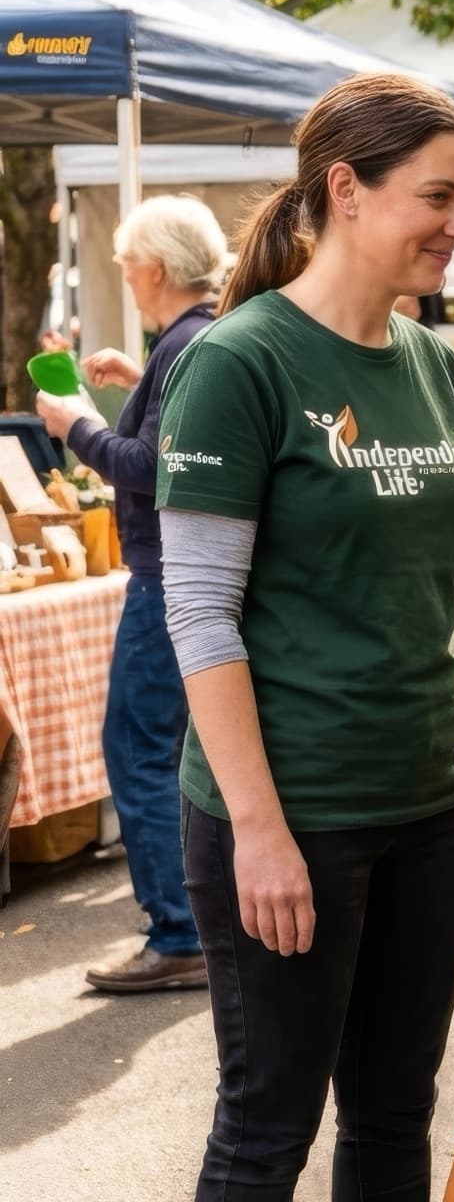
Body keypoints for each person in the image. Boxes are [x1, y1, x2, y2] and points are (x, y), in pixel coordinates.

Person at [156, 73, 454, 1202]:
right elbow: (199, 613)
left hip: (425, 802)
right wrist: (255, 824)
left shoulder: (434, 368)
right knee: (266, 1128)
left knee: (392, 1115)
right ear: (344, 190)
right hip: (287, 811)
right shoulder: (239, 364)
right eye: (436, 196)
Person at [36, 196, 224, 994]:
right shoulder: (200, 338)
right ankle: (201, 922)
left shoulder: (186, 344)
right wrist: (134, 379)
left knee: (140, 751)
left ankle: (178, 932)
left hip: (164, 576)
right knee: (188, 753)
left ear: (156, 267)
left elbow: (149, 466)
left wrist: (75, 423)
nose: (124, 274)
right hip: (196, 573)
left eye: (126, 263)